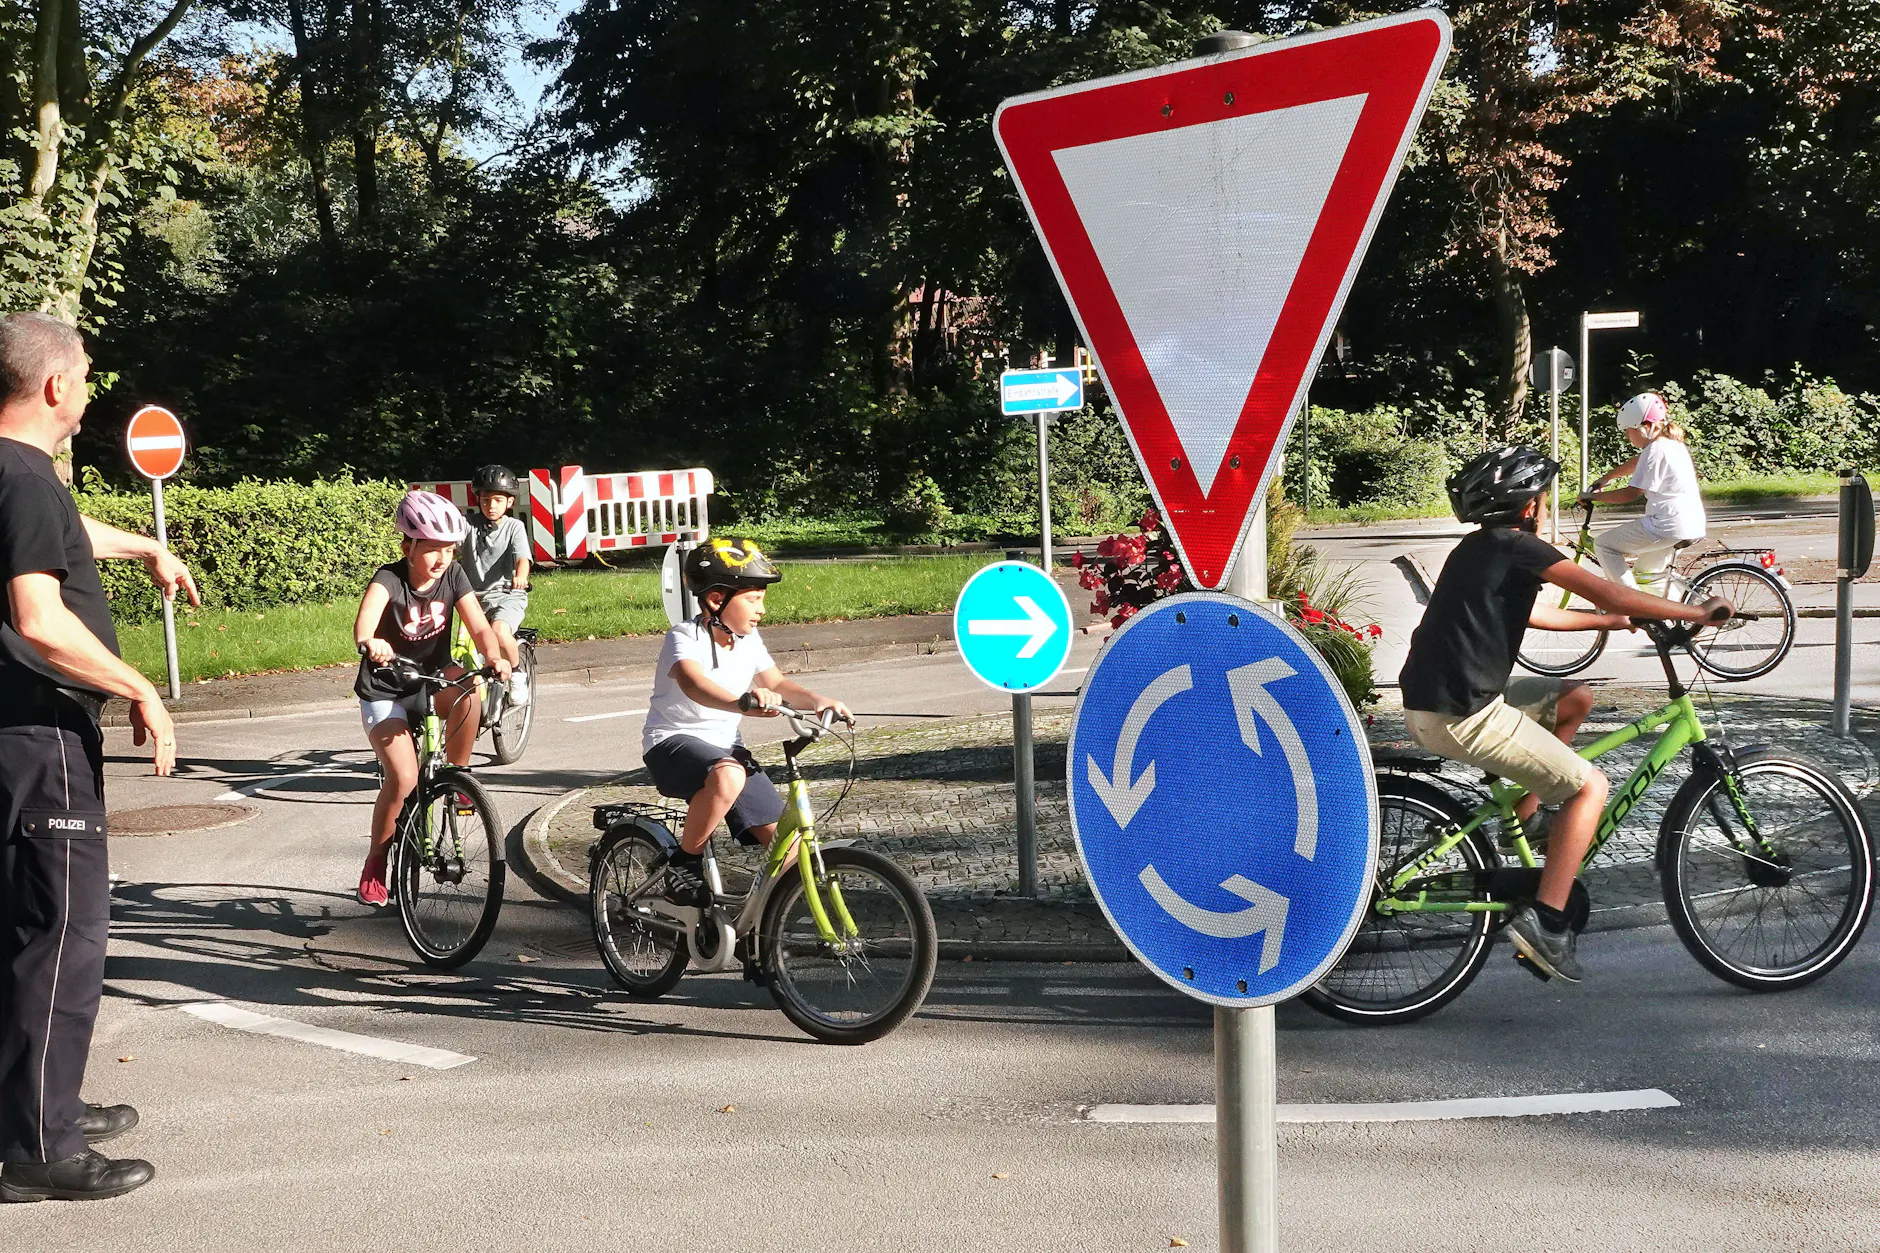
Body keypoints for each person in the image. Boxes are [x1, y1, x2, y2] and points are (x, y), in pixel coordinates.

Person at [1399, 445, 1730, 984]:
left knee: (1574, 699)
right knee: (1589, 789)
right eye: (1544, 497)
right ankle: (1547, 925)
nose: (1546, 506)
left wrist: (1611, 623)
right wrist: (1696, 611)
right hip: (1464, 713)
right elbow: (1604, 587)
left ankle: (1528, 819)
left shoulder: (1481, 549)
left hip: (1436, 701)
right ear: (1530, 506)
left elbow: (1539, 615)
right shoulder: (1521, 547)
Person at [0, 312, 199, 1202]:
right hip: (42, 734)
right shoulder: (26, 477)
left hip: (13, 738)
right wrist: (137, 686)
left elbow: (61, 529)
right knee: (65, 938)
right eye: (82, 373)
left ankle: (37, 1104)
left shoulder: (13, 475)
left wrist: (145, 542)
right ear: (52, 386)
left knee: (21, 931)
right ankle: (44, 1145)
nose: (88, 389)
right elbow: (41, 621)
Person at [640, 539, 850, 903]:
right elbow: (695, 685)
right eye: (753, 599)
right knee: (729, 774)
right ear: (718, 600)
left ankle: (761, 940)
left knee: (790, 846)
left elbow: (777, 683)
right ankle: (683, 863)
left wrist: (818, 700)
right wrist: (743, 704)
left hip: (725, 750)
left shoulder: (748, 641)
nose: (762, 609)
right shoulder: (684, 637)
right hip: (672, 743)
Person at [352, 490, 511, 907]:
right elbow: (365, 622)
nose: (442, 559)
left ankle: (458, 782)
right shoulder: (389, 579)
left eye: (449, 549)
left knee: (469, 688)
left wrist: (493, 655)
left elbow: (478, 627)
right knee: (403, 779)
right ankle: (376, 862)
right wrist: (372, 643)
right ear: (408, 545)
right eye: (433, 550)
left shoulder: (454, 576)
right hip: (386, 689)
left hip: (429, 679)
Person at [1583, 392, 1707, 595]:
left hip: (1667, 526)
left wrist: (1592, 497)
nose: (1627, 436)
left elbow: (1631, 494)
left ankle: (1632, 604)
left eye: (1629, 430)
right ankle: (1677, 617)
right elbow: (1637, 463)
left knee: (1604, 545)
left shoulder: (1656, 449)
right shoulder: (1671, 444)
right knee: (1646, 575)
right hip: (1689, 523)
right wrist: (1607, 477)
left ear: (1644, 427)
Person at [458, 465, 531, 706]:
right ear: (477, 499)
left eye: (498, 500)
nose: (491, 505)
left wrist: (520, 577)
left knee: (500, 632)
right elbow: (450, 540)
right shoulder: (468, 524)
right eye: (486, 499)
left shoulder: (514, 527)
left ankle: (517, 673)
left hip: (506, 595)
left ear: (509, 502)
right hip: (470, 598)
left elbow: (522, 559)